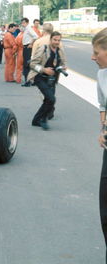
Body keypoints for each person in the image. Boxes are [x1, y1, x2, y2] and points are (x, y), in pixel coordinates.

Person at [28, 31, 66, 130]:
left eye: (59, 40)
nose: (57, 42)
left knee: (48, 100)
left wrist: (62, 67)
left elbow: (63, 62)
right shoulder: (43, 49)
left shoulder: (60, 50)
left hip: (52, 79)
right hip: (40, 77)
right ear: (50, 39)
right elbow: (32, 64)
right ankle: (43, 119)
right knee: (51, 99)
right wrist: (44, 70)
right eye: (55, 40)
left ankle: (36, 120)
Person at [92, 27, 107, 263]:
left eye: (97, 52)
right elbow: (103, 105)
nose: (93, 57)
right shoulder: (101, 75)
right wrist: (103, 129)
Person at [21, 17, 39, 86]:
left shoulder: (28, 28)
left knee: (27, 65)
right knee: (26, 64)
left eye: (24, 23)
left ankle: (28, 81)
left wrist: (31, 44)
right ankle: (29, 81)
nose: (23, 24)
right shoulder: (26, 29)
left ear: (27, 22)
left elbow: (35, 36)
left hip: (28, 47)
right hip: (25, 47)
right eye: (22, 23)